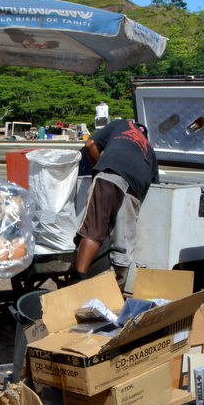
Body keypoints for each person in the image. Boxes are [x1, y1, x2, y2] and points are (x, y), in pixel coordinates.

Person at [74, 118, 159, 289]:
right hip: (135, 189)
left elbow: (90, 144)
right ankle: (116, 293)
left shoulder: (122, 124)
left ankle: (78, 279)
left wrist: (98, 169)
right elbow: (156, 189)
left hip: (110, 174)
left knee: (94, 229)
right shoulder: (150, 151)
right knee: (123, 241)